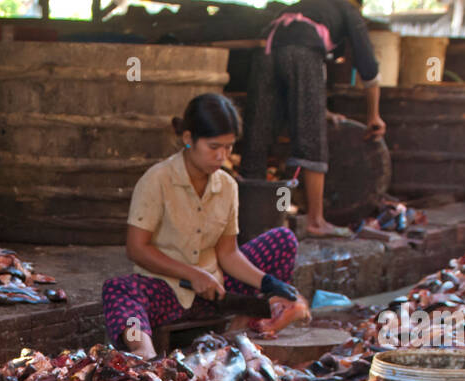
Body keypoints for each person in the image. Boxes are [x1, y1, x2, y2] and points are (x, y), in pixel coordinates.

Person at [101, 94, 301, 359]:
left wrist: (267, 282)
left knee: (283, 240)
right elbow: (137, 249)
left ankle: (237, 333)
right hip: (167, 291)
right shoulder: (157, 180)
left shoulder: (227, 186)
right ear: (188, 139)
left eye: (229, 148)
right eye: (213, 146)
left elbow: (228, 253)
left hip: (216, 291)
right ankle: (145, 356)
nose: (222, 156)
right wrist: (192, 274)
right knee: (119, 288)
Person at [241, 0, 387, 238]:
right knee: (310, 136)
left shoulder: (306, 5)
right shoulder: (348, 9)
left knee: (258, 135)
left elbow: (293, 95)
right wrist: (374, 115)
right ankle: (315, 220)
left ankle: (254, 220)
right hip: (301, 51)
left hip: (266, 50)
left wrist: (323, 111)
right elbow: (368, 68)